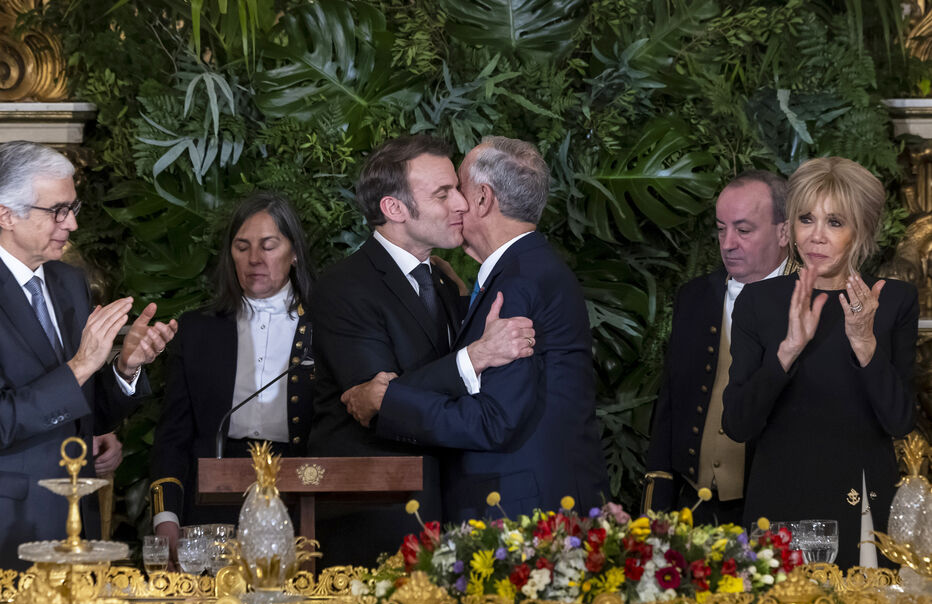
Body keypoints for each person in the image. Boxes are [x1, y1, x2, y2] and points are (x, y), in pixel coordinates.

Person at [342, 136, 609, 522]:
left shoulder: (518, 283)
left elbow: (493, 420)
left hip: (526, 514)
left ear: (483, 199)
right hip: (537, 504)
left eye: (457, 190)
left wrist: (388, 401)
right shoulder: (520, 271)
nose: (454, 204)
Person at [310, 135, 533, 566]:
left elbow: (400, 394)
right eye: (443, 194)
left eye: (458, 190)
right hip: (376, 519)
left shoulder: (447, 282)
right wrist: (475, 357)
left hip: (448, 515)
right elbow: (380, 406)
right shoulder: (344, 288)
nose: (462, 205)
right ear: (394, 209)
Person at [722, 157, 918, 569]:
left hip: (862, 511)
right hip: (779, 507)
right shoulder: (758, 302)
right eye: (806, 219)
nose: (816, 236)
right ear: (791, 227)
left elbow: (900, 421)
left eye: (835, 222)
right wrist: (787, 351)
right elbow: (737, 424)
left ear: (860, 231)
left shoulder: (893, 301)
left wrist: (864, 341)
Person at [0, 140, 176, 569]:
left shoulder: (68, 282)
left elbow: (84, 411)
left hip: (79, 522)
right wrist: (80, 365)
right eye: (57, 210)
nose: (72, 224)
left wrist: (123, 368)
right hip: (12, 525)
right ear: (6, 214)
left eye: (73, 208)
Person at [149, 192, 315, 564]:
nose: (255, 259)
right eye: (242, 247)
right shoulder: (196, 331)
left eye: (269, 246)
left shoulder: (326, 327)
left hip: (301, 497)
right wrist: (167, 517)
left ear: (294, 253)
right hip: (211, 501)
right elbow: (173, 436)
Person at [643, 171, 792, 525]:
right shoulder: (695, 297)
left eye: (743, 230)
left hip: (773, 511)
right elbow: (671, 403)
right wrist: (655, 509)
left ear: (784, 232)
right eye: (721, 228)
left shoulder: (809, 304)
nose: (727, 243)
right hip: (692, 508)